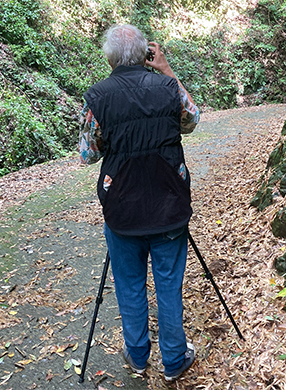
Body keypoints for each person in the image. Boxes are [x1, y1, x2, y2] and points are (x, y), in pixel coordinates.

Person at [78, 24, 200, 382]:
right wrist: (165, 69)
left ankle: (137, 356)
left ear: (109, 57)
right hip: (169, 203)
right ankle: (175, 359)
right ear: (147, 52)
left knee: (129, 285)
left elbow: (88, 154)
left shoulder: (97, 97)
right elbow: (191, 120)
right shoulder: (167, 86)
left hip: (122, 208)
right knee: (168, 283)